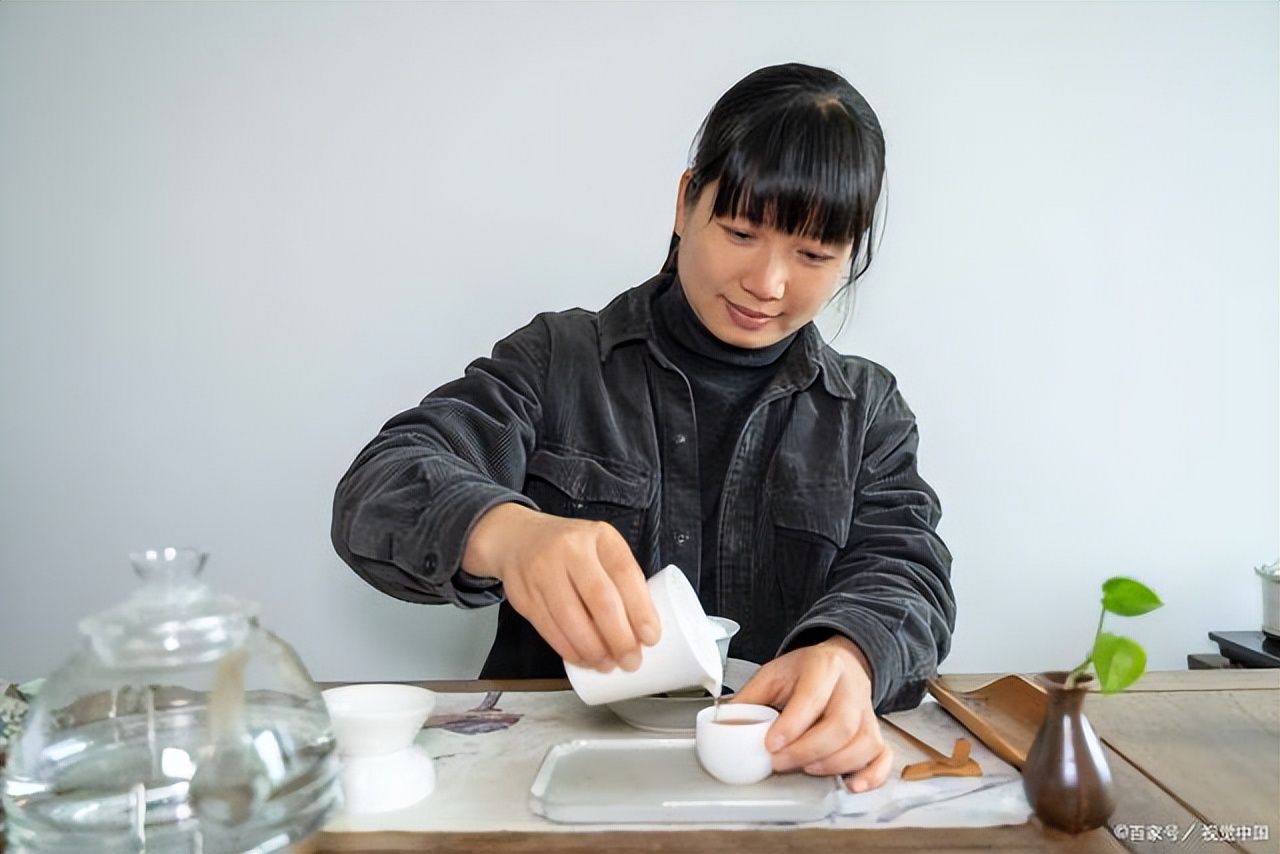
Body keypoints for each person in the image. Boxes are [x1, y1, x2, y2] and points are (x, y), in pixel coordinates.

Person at [332, 62, 954, 793]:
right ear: (687, 201)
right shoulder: (559, 361)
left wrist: (850, 652)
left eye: (814, 255)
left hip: (776, 782)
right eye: (742, 231)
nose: (770, 283)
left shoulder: (866, 410)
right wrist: (507, 534)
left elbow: (909, 570)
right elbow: (379, 486)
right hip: (545, 778)